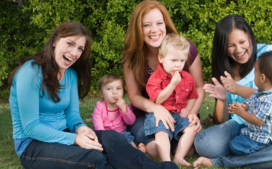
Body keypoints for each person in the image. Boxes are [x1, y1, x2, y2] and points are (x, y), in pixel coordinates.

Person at [8, 21, 178, 169]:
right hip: (32, 146)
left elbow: (73, 116)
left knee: (112, 138)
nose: (74, 53)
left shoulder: (70, 74)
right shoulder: (30, 72)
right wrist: (75, 139)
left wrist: (81, 129)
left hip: (65, 133)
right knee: (94, 158)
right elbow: (31, 127)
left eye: (80, 48)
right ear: (54, 41)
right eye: (69, 43)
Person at [193, 14, 272, 169]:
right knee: (204, 144)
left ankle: (225, 162)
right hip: (243, 128)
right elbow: (222, 120)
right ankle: (264, 157)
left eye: (242, 42)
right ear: (223, 46)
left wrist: (237, 90)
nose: (239, 50)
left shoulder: (269, 56)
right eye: (231, 45)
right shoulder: (225, 69)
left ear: (250, 37)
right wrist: (223, 99)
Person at [121, 0, 204, 159]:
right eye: (146, 25)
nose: (154, 30)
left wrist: (192, 114)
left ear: (166, 25)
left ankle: (177, 144)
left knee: (189, 148)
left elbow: (198, 87)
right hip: (148, 113)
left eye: (159, 23)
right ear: (138, 29)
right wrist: (155, 108)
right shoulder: (132, 58)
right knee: (152, 149)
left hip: (181, 111)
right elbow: (133, 96)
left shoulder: (185, 49)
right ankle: (171, 145)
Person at [145, 34, 198, 166]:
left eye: (181, 61)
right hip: (161, 113)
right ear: (161, 58)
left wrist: (189, 110)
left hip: (179, 113)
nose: (178, 65)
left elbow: (192, 95)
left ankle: (178, 157)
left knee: (192, 129)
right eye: (174, 60)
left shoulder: (187, 77)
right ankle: (166, 162)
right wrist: (172, 85)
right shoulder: (155, 78)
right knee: (161, 132)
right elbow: (157, 99)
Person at [228, 52, 272, 156]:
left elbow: (258, 121)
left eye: (255, 73)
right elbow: (253, 100)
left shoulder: (270, 100)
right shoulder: (265, 90)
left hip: (263, 138)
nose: (254, 75)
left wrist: (241, 112)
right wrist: (244, 106)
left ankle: (262, 151)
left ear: (262, 78)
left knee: (234, 146)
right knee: (234, 131)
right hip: (255, 130)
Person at [92, 74, 146, 152]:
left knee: (128, 138)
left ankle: (136, 151)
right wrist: (104, 136)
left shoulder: (124, 106)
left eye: (118, 88)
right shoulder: (99, 107)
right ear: (101, 93)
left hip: (121, 134)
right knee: (100, 145)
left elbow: (131, 121)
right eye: (109, 89)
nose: (114, 92)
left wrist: (124, 110)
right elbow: (98, 125)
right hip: (106, 135)